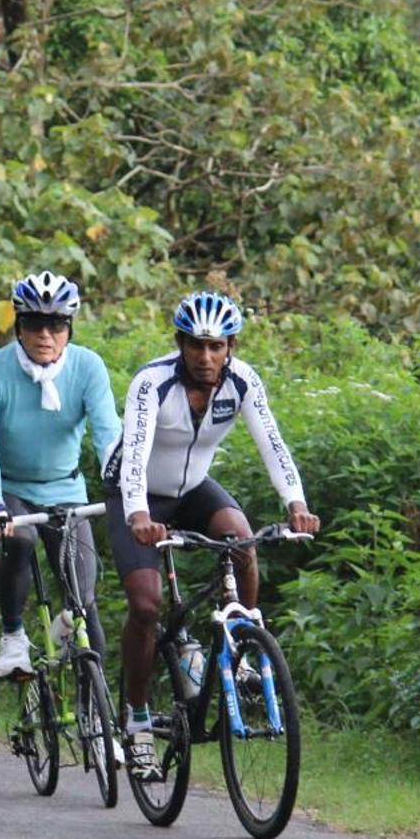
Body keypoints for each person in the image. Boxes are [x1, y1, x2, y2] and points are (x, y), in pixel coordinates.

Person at [103, 291, 322, 777]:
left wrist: (297, 505)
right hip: (133, 493)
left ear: (231, 346)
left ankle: (242, 646)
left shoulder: (243, 382)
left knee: (241, 539)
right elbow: (134, 454)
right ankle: (136, 722)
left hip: (193, 487)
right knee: (145, 605)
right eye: (197, 346)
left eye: (217, 347)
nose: (206, 357)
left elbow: (274, 445)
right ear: (180, 344)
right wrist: (138, 515)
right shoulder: (151, 383)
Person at [0, 271, 120, 678]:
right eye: (34, 324)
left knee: (83, 602)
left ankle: (100, 725)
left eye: (56, 325)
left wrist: (125, 484)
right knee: (21, 539)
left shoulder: (88, 367)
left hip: (66, 489)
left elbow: (108, 435)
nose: (45, 335)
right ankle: (13, 636)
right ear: (18, 327)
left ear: (69, 328)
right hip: (11, 489)